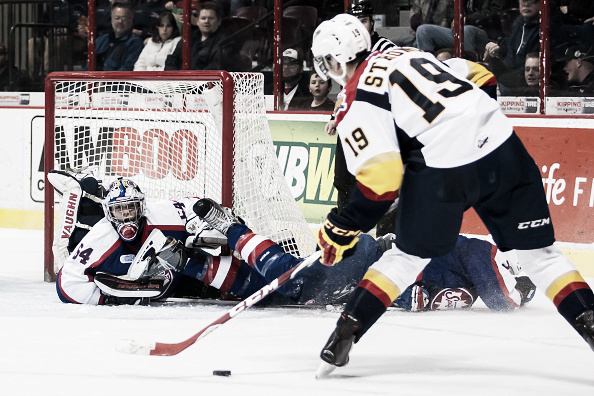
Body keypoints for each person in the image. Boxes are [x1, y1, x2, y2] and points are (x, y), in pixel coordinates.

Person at [310, 14, 594, 376]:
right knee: (542, 258)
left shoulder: (357, 100)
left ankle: (346, 330)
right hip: (502, 149)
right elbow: (481, 75)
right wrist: (469, 125)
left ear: (334, 61)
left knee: (406, 258)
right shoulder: (410, 54)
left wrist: (343, 226)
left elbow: (380, 185)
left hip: (442, 172)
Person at [53, 173, 534, 310]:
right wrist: (138, 286)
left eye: (130, 208)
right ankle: (451, 281)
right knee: (397, 285)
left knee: (358, 267)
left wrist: (229, 229)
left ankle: (484, 259)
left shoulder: (170, 222)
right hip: (304, 281)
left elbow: (281, 276)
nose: (127, 218)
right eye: (118, 213)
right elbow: (71, 282)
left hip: (308, 271)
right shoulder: (113, 243)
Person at [416, 0, 509, 55]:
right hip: (461, 30)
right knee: (423, 30)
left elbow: (495, 12)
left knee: (466, 30)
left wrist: (467, 19)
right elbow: (451, 11)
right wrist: (454, 19)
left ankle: (468, 68)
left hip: (488, 34)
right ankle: (430, 69)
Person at [164, 2, 230, 71]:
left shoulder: (224, 43)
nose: (207, 21)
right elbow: (172, 60)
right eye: (203, 18)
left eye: (211, 18)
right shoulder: (188, 38)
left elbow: (215, 68)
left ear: (219, 21)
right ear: (197, 21)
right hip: (181, 80)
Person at [93, 1, 144, 71]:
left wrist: (105, 81)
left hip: (115, 81)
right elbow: (89, 66)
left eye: (124, 18)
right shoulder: (102, 39)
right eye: (117, 18)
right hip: (95, 80)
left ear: (132, 20)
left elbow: (127, 69)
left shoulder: (135, 43)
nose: (120, 21)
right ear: (111, 19)